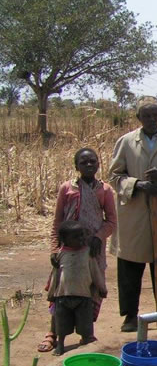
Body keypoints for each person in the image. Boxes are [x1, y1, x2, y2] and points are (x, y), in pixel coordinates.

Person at [108, 96, 157, 332]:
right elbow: (114, 176)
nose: (152, 120)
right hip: (133, 210)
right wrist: (137, 185)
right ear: (138, 118)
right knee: (130, 264)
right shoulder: (126, 142)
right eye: (147, 116)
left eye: (156, 115)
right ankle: (130, 316)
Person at [38, 147, 116, 353]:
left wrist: (99, 237)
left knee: (90, 290)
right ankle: (53, 334)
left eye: (93, 161)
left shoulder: (105, 190)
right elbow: (57, 222)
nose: (89, 165)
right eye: (84, 162)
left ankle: (86, 334)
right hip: (67, 249)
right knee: (60, 291)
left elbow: (111, 221)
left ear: (99, 164)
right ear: (76, 166)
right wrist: (54, 249)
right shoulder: (67, 188)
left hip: (91, 249)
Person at [48, 221, 108, 356]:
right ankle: (60, 345)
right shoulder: (61, 254)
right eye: (76, 237)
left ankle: (87, 343)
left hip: (84, 296)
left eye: (82, 236)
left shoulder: (87, 253)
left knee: (86, 325)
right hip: (63, 296)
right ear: (65, 240)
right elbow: (56, 275)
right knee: (61, 325)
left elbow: (95, 272)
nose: (81, 239)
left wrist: (101, 288)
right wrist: (52, 293)